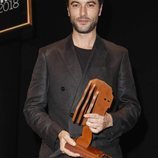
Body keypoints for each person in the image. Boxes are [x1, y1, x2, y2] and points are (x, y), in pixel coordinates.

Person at [23, 0, 141, 158]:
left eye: (90, 4)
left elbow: (132, 108)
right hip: (60, 151)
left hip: (102, 151)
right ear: (68, 10)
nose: (83, 12)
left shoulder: (118, 55)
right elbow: (32, 108)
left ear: (100, 10)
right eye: (76, 5)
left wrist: (110, 120)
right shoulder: (48, 55)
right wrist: (58, 134)